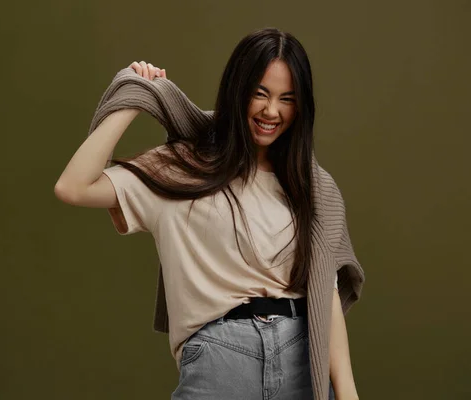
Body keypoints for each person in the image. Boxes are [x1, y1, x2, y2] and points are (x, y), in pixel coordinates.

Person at [55, 27, 362, 400]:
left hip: (301, 356)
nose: (271, 111)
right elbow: (73, 187)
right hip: (220, 361)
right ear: (237, 91)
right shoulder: (181, 168)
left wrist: (346, 393)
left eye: (287, 99)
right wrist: (135, 96)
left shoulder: (310, 187)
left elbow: (324, 297)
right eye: (260, 93)